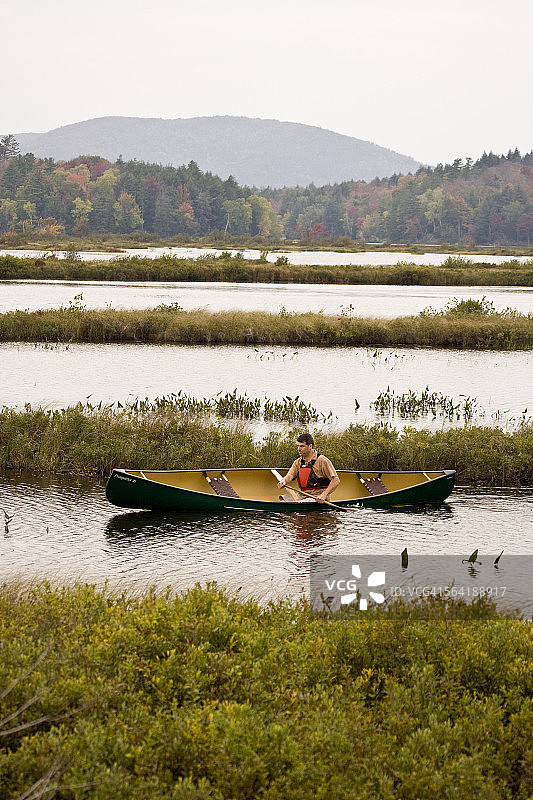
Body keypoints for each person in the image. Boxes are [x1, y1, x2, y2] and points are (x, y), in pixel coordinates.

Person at [277, 433, 340, 503]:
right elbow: (290, 475)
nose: (299, 449)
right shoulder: (298, 462)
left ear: (310, 446)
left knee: (300, 505)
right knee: (282, 501)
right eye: (298, 446)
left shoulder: (322, 460)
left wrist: (324, 495)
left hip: (317, 497)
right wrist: (284, 481)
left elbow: (336, 480)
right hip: (303, 495)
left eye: (302, 446)